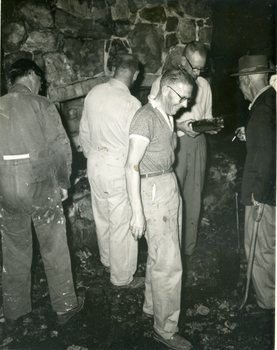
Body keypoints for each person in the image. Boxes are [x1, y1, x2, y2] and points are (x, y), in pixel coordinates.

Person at [0, 59, 84, 332]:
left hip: (6, 192)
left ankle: (14, 311)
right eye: (40, 80)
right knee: (54, 249)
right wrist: (63, 182)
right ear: (31, 75)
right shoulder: (42, 105)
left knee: (13, 252)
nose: (42, 85)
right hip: (40, 189)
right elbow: (60, 148)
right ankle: (65, 307)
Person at [125, 67, 194, 350]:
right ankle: (165, 330)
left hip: (167, 184)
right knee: (169, 265)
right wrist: (137, 213)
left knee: (160, 257)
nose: (186, 104)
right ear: (167, 91)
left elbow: (162, 138)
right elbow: (131, 165)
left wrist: (179, 126)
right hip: (152, 191)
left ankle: (152, 307)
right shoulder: (144, 118)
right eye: (182, 98)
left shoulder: (164, 113)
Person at [79, 54, 144, 288]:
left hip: (94, 162)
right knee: (121, 222)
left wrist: (93, 156)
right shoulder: (131, 104)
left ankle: (107, 261)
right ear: (135, 75)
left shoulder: (93, 93)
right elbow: (135, 146)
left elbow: (83, 133)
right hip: (117, 164)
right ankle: (122, 277)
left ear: (115, 69)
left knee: (102, 217)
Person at [149, 41, 218, 258]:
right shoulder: (162, 84)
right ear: (182, 60)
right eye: (194, 67)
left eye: (201, 68)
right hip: (172, 143)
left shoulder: (204, 85)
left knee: (193, 197)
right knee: (171, 197)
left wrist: (210, 126)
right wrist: (179, 126)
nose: (197, 73)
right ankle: (170, 248)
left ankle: (188, 248)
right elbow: (154, 119)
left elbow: (206, 114)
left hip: (197, 144)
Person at [232, 55, 275, 311]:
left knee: (261, 249)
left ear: (247, 80)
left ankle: (268, 303)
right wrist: (252, 134)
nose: (240, 88)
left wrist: (259, 195)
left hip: (267, 195)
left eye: (240, 83)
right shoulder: (273, 100)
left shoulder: (262, 109)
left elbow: (268, 156)